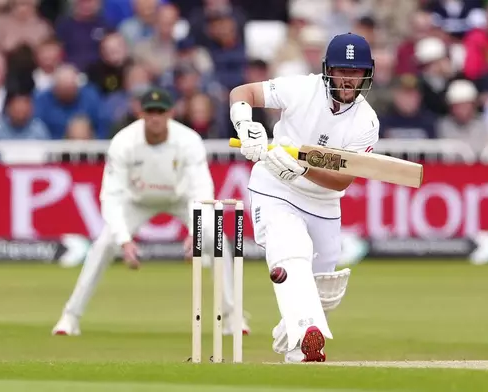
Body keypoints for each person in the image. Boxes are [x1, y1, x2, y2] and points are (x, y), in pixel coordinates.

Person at [228, 32, 379, 362]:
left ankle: (292, 335)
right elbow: (244, 92)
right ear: (328, 69)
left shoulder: (367, 121)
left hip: (322, 200)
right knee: (291, 252)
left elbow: (341, 181)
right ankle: (307, 342)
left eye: (356, 72)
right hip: (274, 188)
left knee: (324, 287)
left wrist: (301, 169)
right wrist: (245, 125)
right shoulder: (301, 88)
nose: (349, 79)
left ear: (367, 74)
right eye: (342, 70)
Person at [52, 87, 250, 336]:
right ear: (140, 113)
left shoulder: (188, 140)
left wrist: (197, 232)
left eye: (160, 112)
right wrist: (124, 241)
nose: (155, 117)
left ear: (171, 113)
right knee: (104, 244)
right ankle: (70, 317)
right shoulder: (124, 142)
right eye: (150, 112)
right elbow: (111, 195)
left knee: (215, 237)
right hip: (137, 201)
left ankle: (233, 317)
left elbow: (201, 188)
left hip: (181, 198)